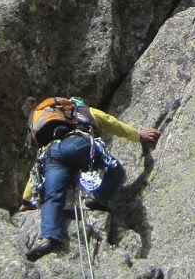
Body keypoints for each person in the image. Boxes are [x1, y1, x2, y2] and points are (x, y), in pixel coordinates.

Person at [20, 96, 160, 261]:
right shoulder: (84, 111)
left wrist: (26, 201)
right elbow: (111, 122)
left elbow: (36, 173)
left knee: (52, 196)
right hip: (79, 143)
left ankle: (48, 238)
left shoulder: (49, 134)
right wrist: (138, 135)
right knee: (115, 169)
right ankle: (97, 197)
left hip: (52, 155)